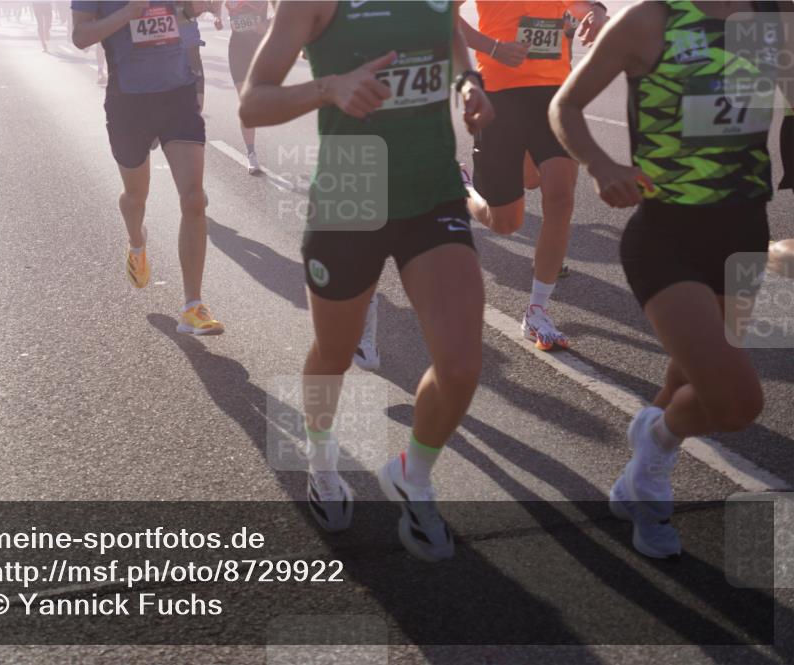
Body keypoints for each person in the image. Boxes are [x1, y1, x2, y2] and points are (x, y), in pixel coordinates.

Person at [241, 0, 494, 561]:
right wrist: (328, 88)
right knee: (335, 351)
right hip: (351, 186)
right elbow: (254, 99)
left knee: (461, 364)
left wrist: (469, 82)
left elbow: (447, 34)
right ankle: (322, 456)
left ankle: (413, 472)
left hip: (431, 188)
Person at [551, 0, 792, 558]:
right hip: (666, 236)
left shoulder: (771, 15)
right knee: (735, 404)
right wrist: (599, 164)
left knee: (685, 383)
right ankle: (653, 459)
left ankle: (641, 475)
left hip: (743, 233)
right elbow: (566, 105)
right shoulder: (648, 20)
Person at [457, 0, 608, 351]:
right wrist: (492, 47)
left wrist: (596, 13)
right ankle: (462, 188)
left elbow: (587, 6)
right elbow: (444, 18)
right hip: (498, 95)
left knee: (560, 196)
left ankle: (537, 310)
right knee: (505, 223)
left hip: (553, 96)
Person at [73, 1, 224, 335]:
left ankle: (192, 306)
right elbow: (80, 36)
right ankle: (136, 243)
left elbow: (187, 12)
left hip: (177, 95)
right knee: (135, 196)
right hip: (129, 101)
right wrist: (128, 12)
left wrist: (199, 8)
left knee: (194, 198)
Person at [223, 0, 270, 174]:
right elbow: (213, 5)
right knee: (246, 102)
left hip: (261, 49)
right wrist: (215, 15)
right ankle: (251, 153)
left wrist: (267, 25)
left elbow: (285, 10)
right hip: (238, 50)